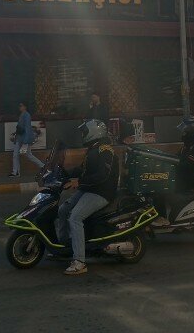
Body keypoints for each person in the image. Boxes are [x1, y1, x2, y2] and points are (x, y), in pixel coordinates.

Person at [55, 119, 119, 276]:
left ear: (94, 132)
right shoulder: (93, 149)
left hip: (101, 192)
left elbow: (103, 175)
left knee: (75, 217)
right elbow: (83, 170)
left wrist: (79, 182)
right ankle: (65, 246)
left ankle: (79, 261)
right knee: (63, 210)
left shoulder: (105, 150)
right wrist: (64, 173)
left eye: (85, 132)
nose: (83, 135)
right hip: (88, 189)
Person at [9, 102, 43, 177]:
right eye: (19, 106)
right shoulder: (22, 115)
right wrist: (15, 134)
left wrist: (26, 140)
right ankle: (16, 172)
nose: (19, 107)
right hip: (20, 138)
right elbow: (21, 128)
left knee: (24, 154)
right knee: (22, 154)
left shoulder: (26, 115)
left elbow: (27, 128)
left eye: (21, 106)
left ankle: (43, 166)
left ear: (25, 107)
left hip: (24, 139)